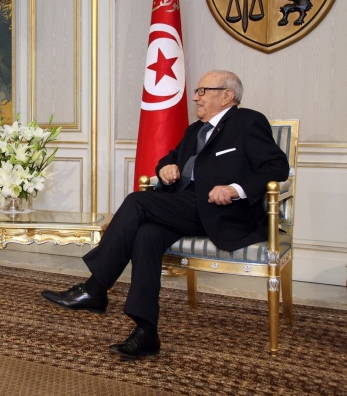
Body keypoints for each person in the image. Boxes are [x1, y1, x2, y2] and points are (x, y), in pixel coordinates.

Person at [41, 70, 289, 359]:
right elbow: (171, 157)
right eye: (196, 91)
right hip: (185, 206)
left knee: (137, 202)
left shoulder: (247, 121)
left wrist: (235, 189)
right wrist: (165, 168)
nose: (195, 97)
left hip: (222, 212)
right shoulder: (195, 130)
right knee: (147, 235)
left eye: (203, 91)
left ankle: (95, 288)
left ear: (227, 96)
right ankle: (146, 332)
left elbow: (277, 166)